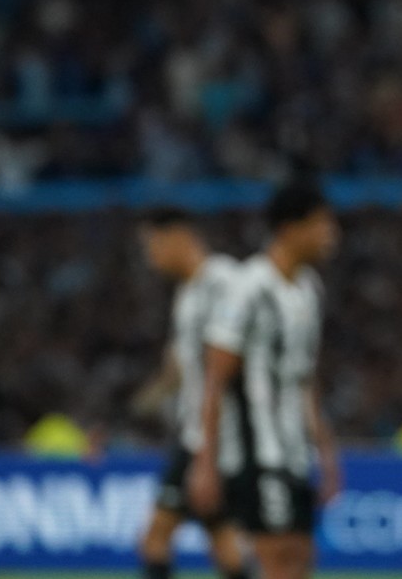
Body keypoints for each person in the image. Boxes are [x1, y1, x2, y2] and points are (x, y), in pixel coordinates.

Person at [188, 182, 342, 579]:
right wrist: (205, 462)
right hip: (257, 453)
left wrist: (326, 453)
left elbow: (305, 378)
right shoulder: (248, 288)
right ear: (290, 228)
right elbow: (215, 379)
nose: (331, 234)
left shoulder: (309, 288)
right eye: (321, 224)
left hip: (295, 451)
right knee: (277, 559)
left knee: (301, 557)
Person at [135, 208, 250, 579]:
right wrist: (123, 416)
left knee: (155, 538)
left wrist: (209, 451)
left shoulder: (224, 281)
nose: (150, 258)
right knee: (224, 543)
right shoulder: (186, 296)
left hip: (215, 438)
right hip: (197, 435)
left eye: (152, 245)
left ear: (178, 236)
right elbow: (176, 373)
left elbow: (234, 362)